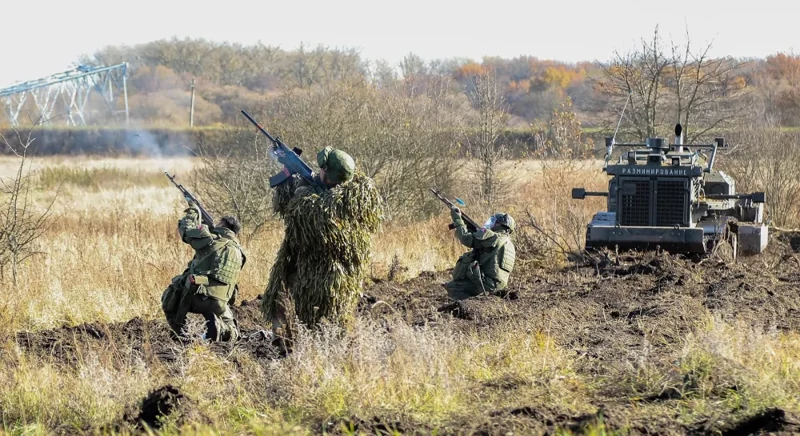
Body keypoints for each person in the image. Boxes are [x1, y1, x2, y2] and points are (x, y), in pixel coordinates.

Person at [261, 146, 383, 341]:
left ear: (328, 173)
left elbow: (300, 215)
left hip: (319, 275)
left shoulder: (330, 207)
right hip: (332, 274)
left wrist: (301, 189)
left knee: (295, 306)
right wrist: (290, 176)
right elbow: (283, 204)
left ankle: (288, 343)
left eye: (323, 169)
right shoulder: (356, 197)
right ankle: (294, 339)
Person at [161, 203, 246, 342]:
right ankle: (221, 329)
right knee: (232, 329)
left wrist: (193, 212)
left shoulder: (211, 241)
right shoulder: (240, 252)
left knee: (169, 296)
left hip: (199, 296)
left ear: (223, 226)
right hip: (222, 301)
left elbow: (186, 231)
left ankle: (180, 331)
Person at [444, 206, 516, 300]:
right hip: (497, 285)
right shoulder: (509, 244)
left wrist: (457, 219)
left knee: (452, 286)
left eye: (494, 222)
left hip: (485, 284)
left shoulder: (493, 236)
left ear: (498, 224)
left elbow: (465, 238)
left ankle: (468, 303)